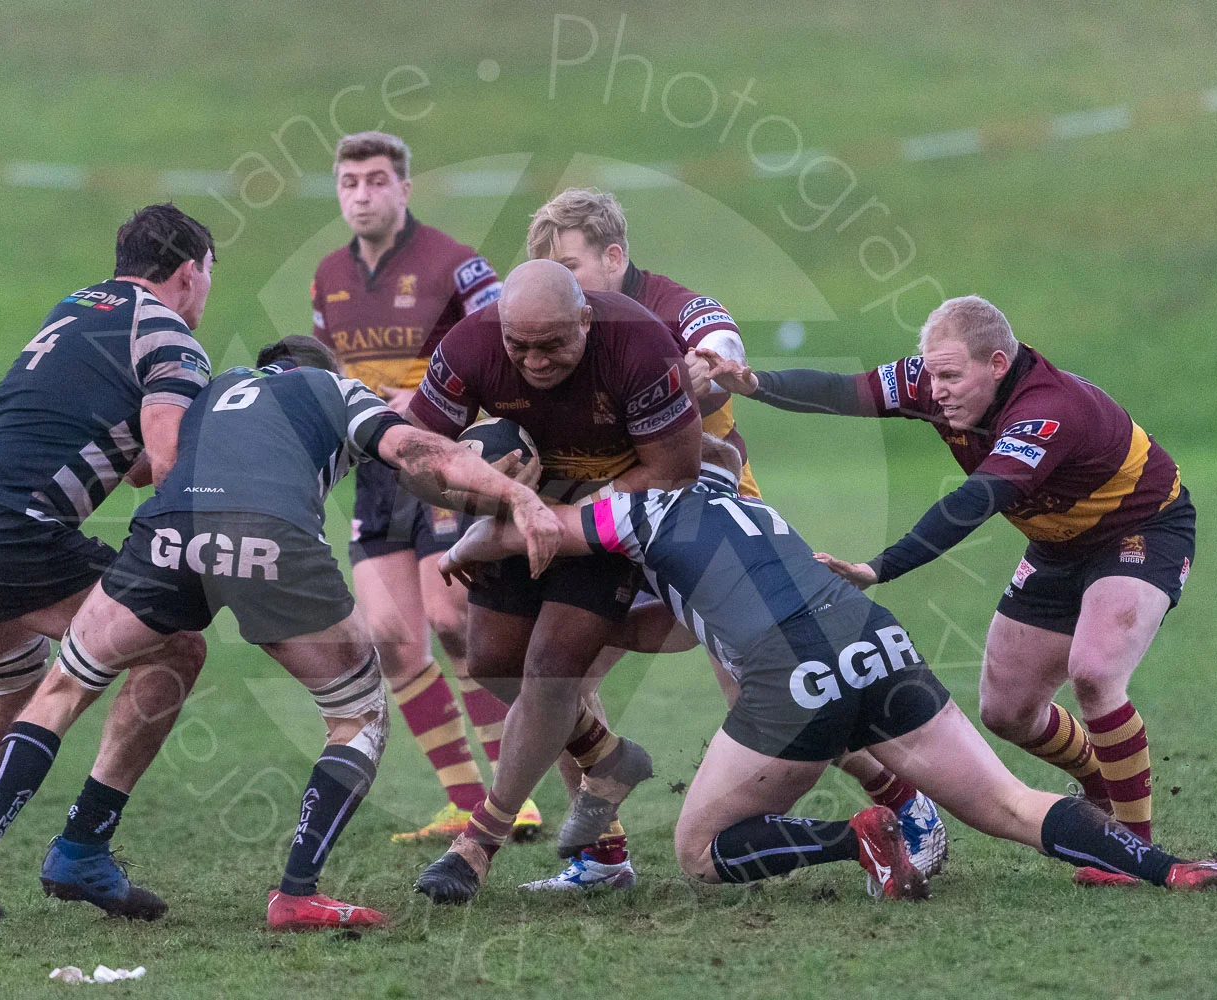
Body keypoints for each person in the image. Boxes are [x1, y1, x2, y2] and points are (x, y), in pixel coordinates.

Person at [0, 338, 562, 931]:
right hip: (270, 541)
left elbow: (143, 464)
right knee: (358, 714)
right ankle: (296, 893)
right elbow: (412, 450)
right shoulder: (333, 388)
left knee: (64, 685)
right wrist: (515, 496)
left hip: (168, 534)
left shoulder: (209, 391)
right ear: (318, 370)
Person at [436, 435, 1217, 900]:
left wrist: (466, 543)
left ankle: (855, 838)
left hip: (792, 674)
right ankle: (1174, 869)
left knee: (698, 850)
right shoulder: (744, 502)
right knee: (1010, 804)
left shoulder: (631, 509)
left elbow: (532, 532)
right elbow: (685, 623)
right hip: (875, 639)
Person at [518, 188, 946, 891]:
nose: (564, 288)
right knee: (559, 677)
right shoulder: (568, 330)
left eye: (572, 267)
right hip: (618, 530)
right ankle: (602, 856)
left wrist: (703, 368)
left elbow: (721, 344)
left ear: (615, 256)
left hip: (711, 528)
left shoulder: (673, 306)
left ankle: (906, 802)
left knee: (772, 692)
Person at [699, 295, 1193, 886]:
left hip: (1139, 529)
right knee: (1006, 712)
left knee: (1093, 673)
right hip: (1056, 546)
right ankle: (1096, 780)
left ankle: (1133, 853)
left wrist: (881, 566)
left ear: (998, 364)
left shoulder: (1046, 411)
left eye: (952, 378)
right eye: (932, 375)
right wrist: (756, 383)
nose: (937, 392)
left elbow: (974, 502)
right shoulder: (932, 379)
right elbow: (843, 391)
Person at [0, 204, 216, 927]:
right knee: (176, 644)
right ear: (190, 273)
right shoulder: (170, 336)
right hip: (6, 526)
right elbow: (165, 469)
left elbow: (117, 452)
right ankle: (83, 847)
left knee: (7, 693)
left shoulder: (77, 307)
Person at [405, 259, 702, 903]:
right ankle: (608, 758)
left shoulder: (639, 345)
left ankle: (477, 845)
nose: (535, 361)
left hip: (610, 520)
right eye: (520, 346)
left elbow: (676, 468)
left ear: (586, 319)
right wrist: (485, 494)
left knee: (552, 670)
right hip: (519, 511)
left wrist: (561, 517)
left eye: (553, 345)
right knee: (492, 662)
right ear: (499, 326)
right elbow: (414, 459)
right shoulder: (468, 346)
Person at [311, 131, 537, 843]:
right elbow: (331, 374)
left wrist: (443, 406)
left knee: (453, 619)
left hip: (444, 464)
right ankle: (465, 800)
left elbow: (511, 346)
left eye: (377, 180)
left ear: (405, 189)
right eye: (350, 183)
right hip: (376, 472)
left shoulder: (456, 265)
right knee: (391, 638)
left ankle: (515, 795)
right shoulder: (326, 277)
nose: (362, 195)